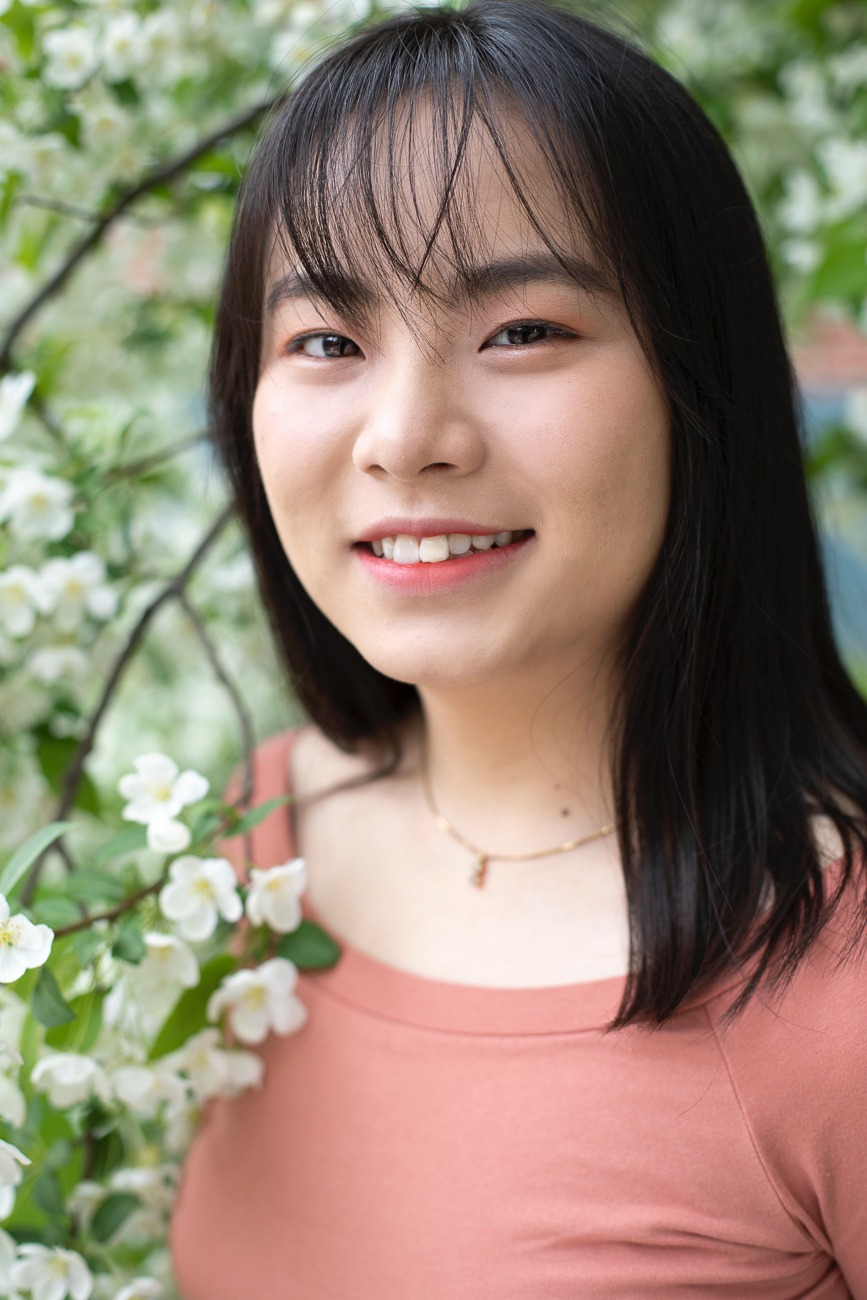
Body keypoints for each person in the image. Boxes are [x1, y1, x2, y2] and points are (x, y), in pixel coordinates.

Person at [169, 3, 867, 1296]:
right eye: (327, 341)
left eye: (522, 331)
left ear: (697, 384)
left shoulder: (839, 984)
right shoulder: (255, 848)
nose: (406, 435)